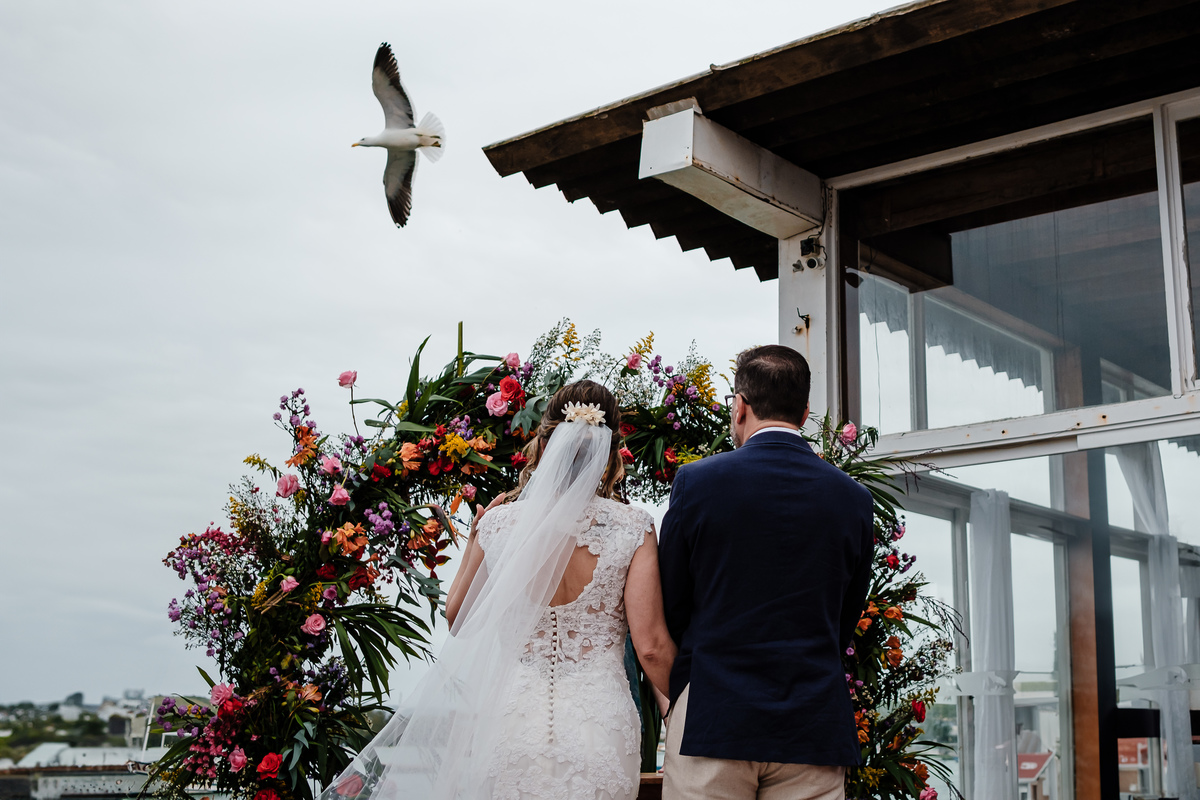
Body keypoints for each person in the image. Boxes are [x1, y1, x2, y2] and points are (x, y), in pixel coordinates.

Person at [322, 380, 676, 800]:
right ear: (610, 451)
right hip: (598, 721)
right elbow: (650, 646)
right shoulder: (632, 527)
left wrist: (475, 537)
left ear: (544, 446)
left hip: (512, 717)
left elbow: (459, 621)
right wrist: (686, 711)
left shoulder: (499, 524)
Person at [658, 345, 874, 800]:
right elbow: (846, 612)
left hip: (714, 713)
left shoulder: (697, 482)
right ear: (806, 412)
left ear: (740, 405)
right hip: (812, 721)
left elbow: (672, 600)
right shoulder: (852, 498)